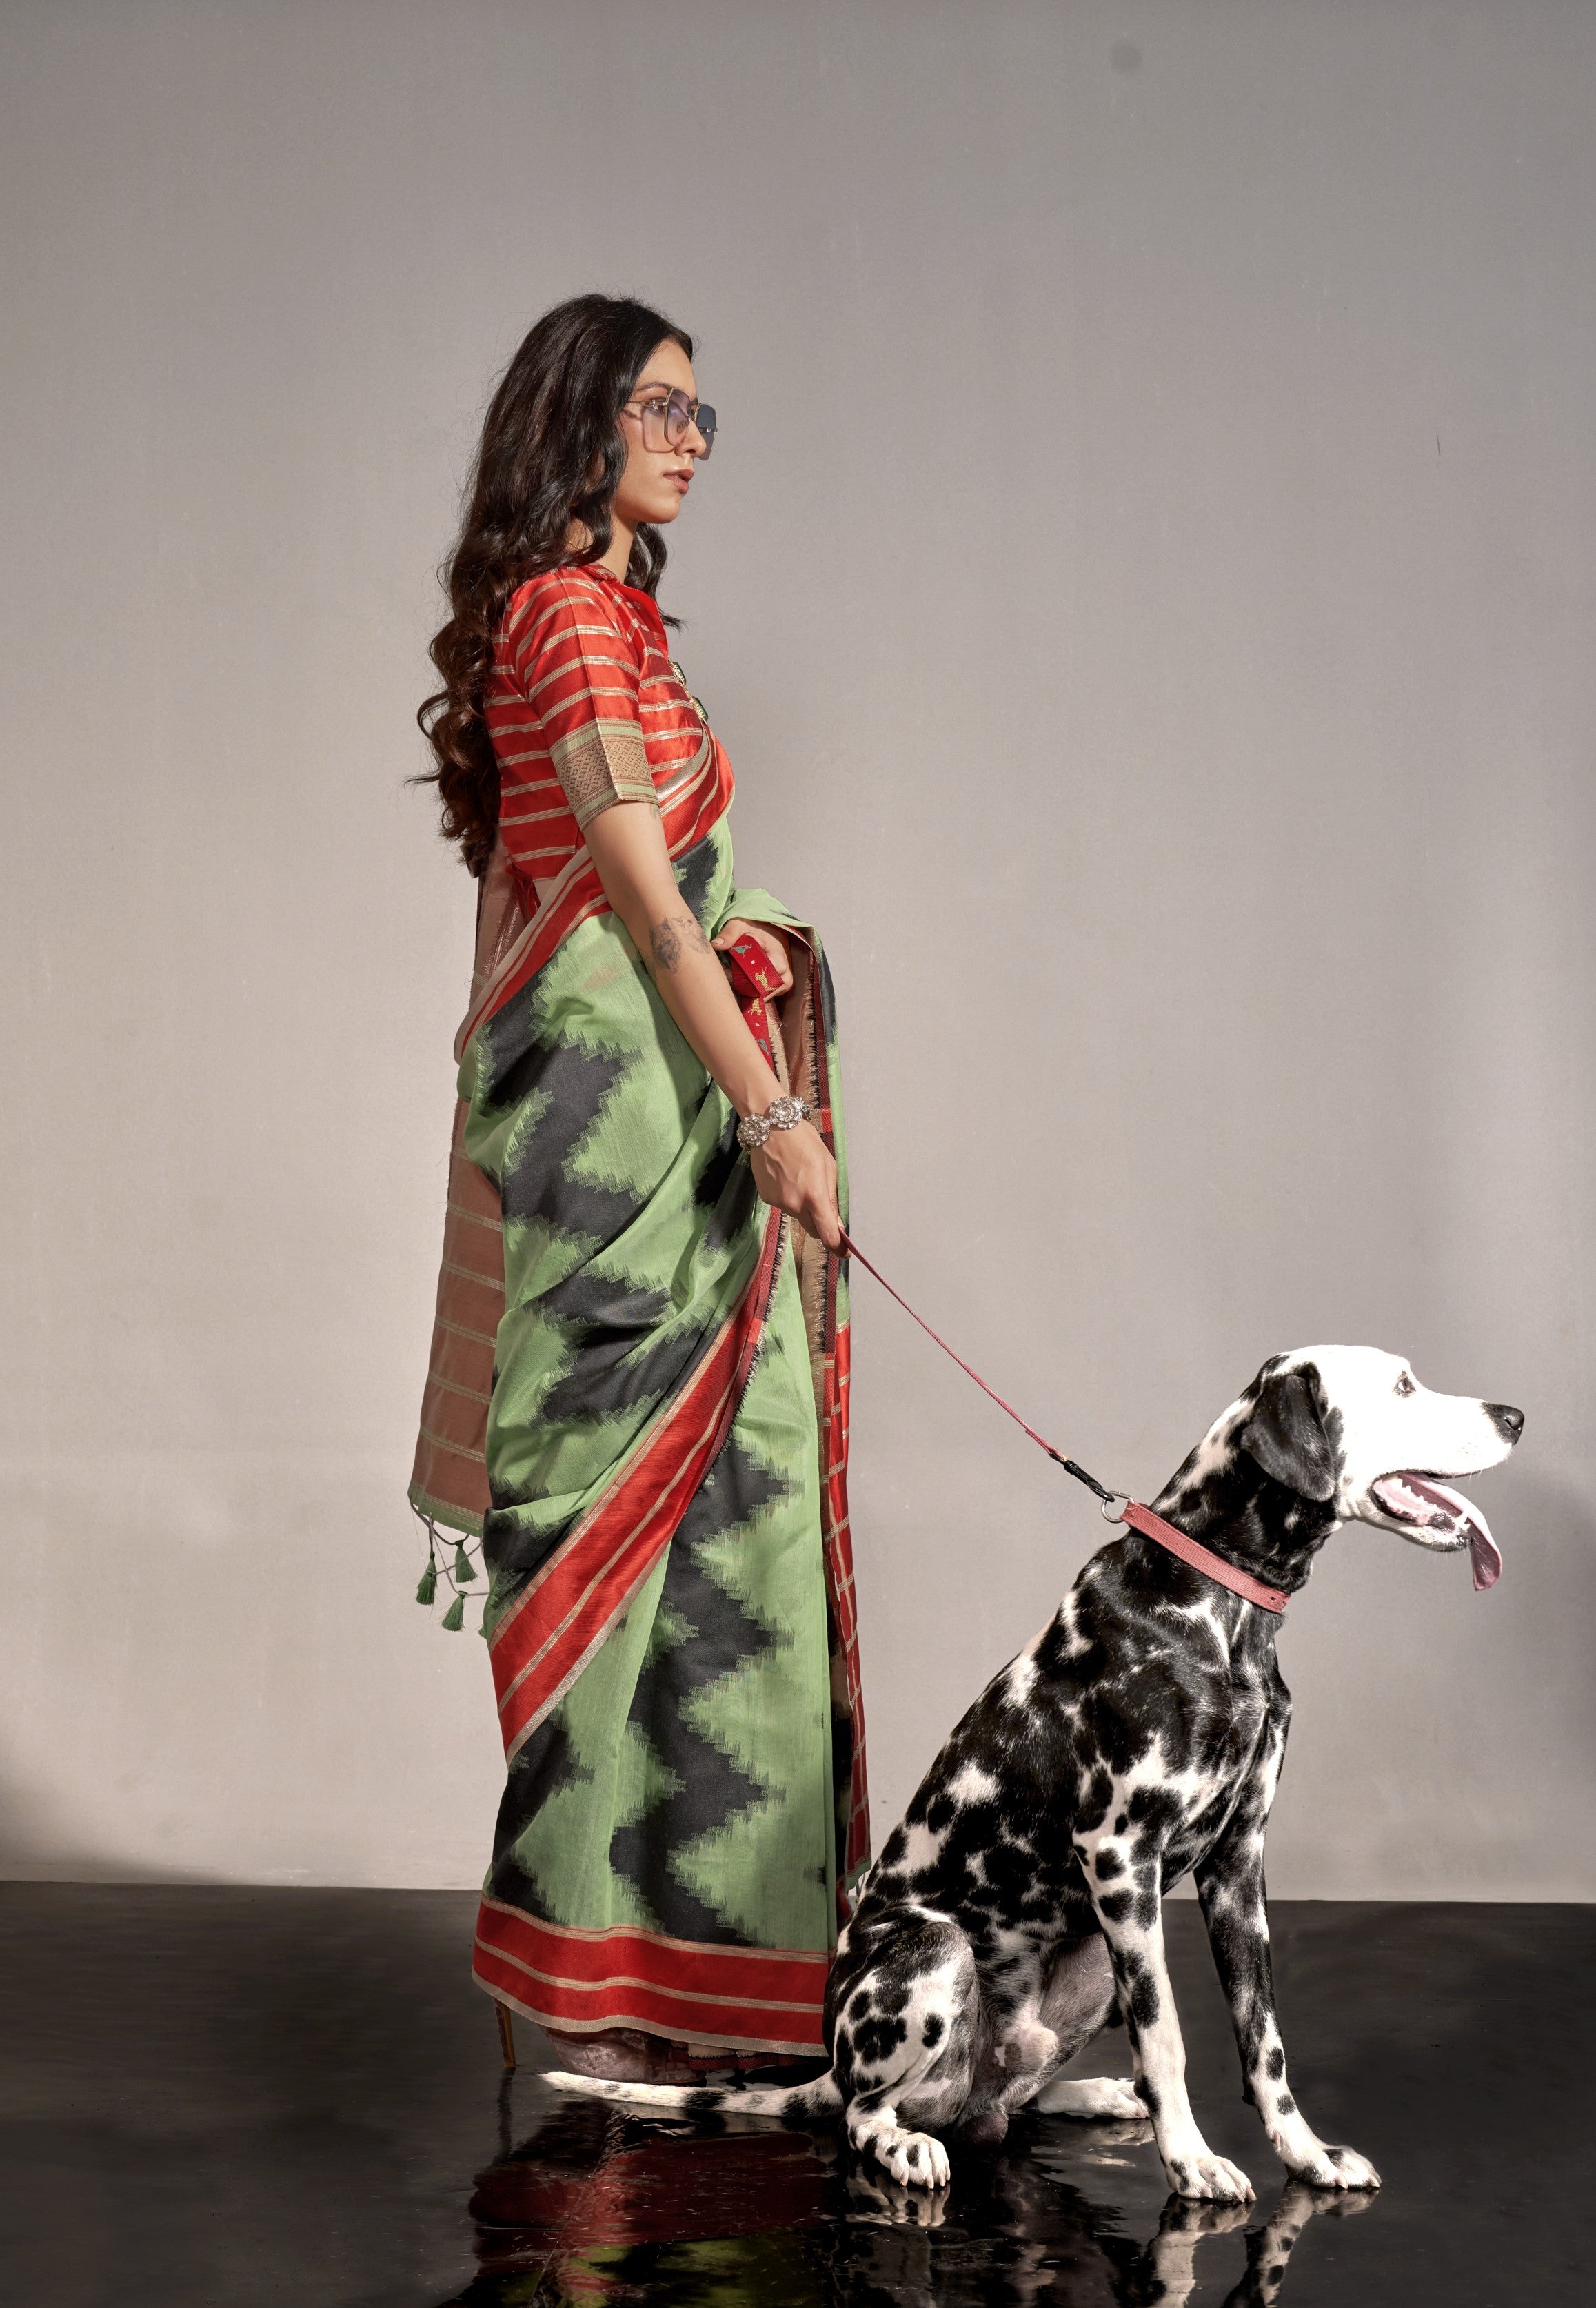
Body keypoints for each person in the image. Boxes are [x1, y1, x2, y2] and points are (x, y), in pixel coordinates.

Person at [410, 295, 869, 2081]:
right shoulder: (565, 624)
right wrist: (773, 1113)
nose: (689, 436)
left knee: (724, 1543)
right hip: (623, 1142)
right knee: (610, 1544)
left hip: (664, 1117)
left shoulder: (621, 625)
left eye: (699, 411)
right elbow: (645, 905)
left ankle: (700, 1996)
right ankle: (606, 1991)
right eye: (659, 405)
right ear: (577, 421)